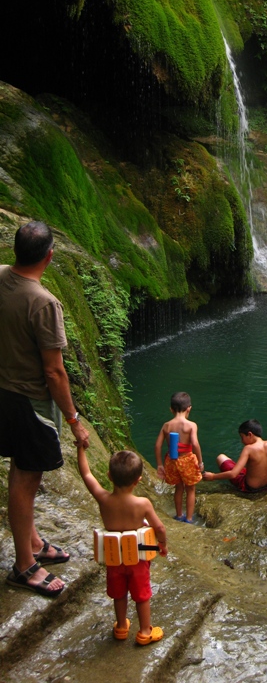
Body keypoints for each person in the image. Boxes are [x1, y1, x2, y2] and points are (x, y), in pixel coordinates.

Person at [1, 221, 90, 598]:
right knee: (26, 479)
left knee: (21, 472)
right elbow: (55, 371)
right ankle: (25, 566)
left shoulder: (2, 275)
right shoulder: (44, 302)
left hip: (2, 392)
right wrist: (73, 420)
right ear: (50, 257)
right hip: (28, 401)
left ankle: (34, 541)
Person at [77, 444, 167, 644]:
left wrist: (81, 450)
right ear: (138, 480)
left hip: (114, 556)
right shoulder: (142, 504)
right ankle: (144, 631)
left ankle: (120, 627)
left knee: (119, 593)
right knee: (142, 595)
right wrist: (162, 544)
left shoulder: (103, 498)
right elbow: (159, 528)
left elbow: (86, 475)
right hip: (137, 557)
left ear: (109, 476)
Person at [154, 392, 204, 523]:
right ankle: (188, 518)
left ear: (171, 409)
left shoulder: (167, 425)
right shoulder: (191, 425)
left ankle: (179, 515)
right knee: (191, 489)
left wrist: (160, 465)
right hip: (187, 460)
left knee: (179, 487)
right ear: (189, 409)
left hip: (172, 461)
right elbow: (195, 444)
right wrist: (200, 461)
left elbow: (158, 446)